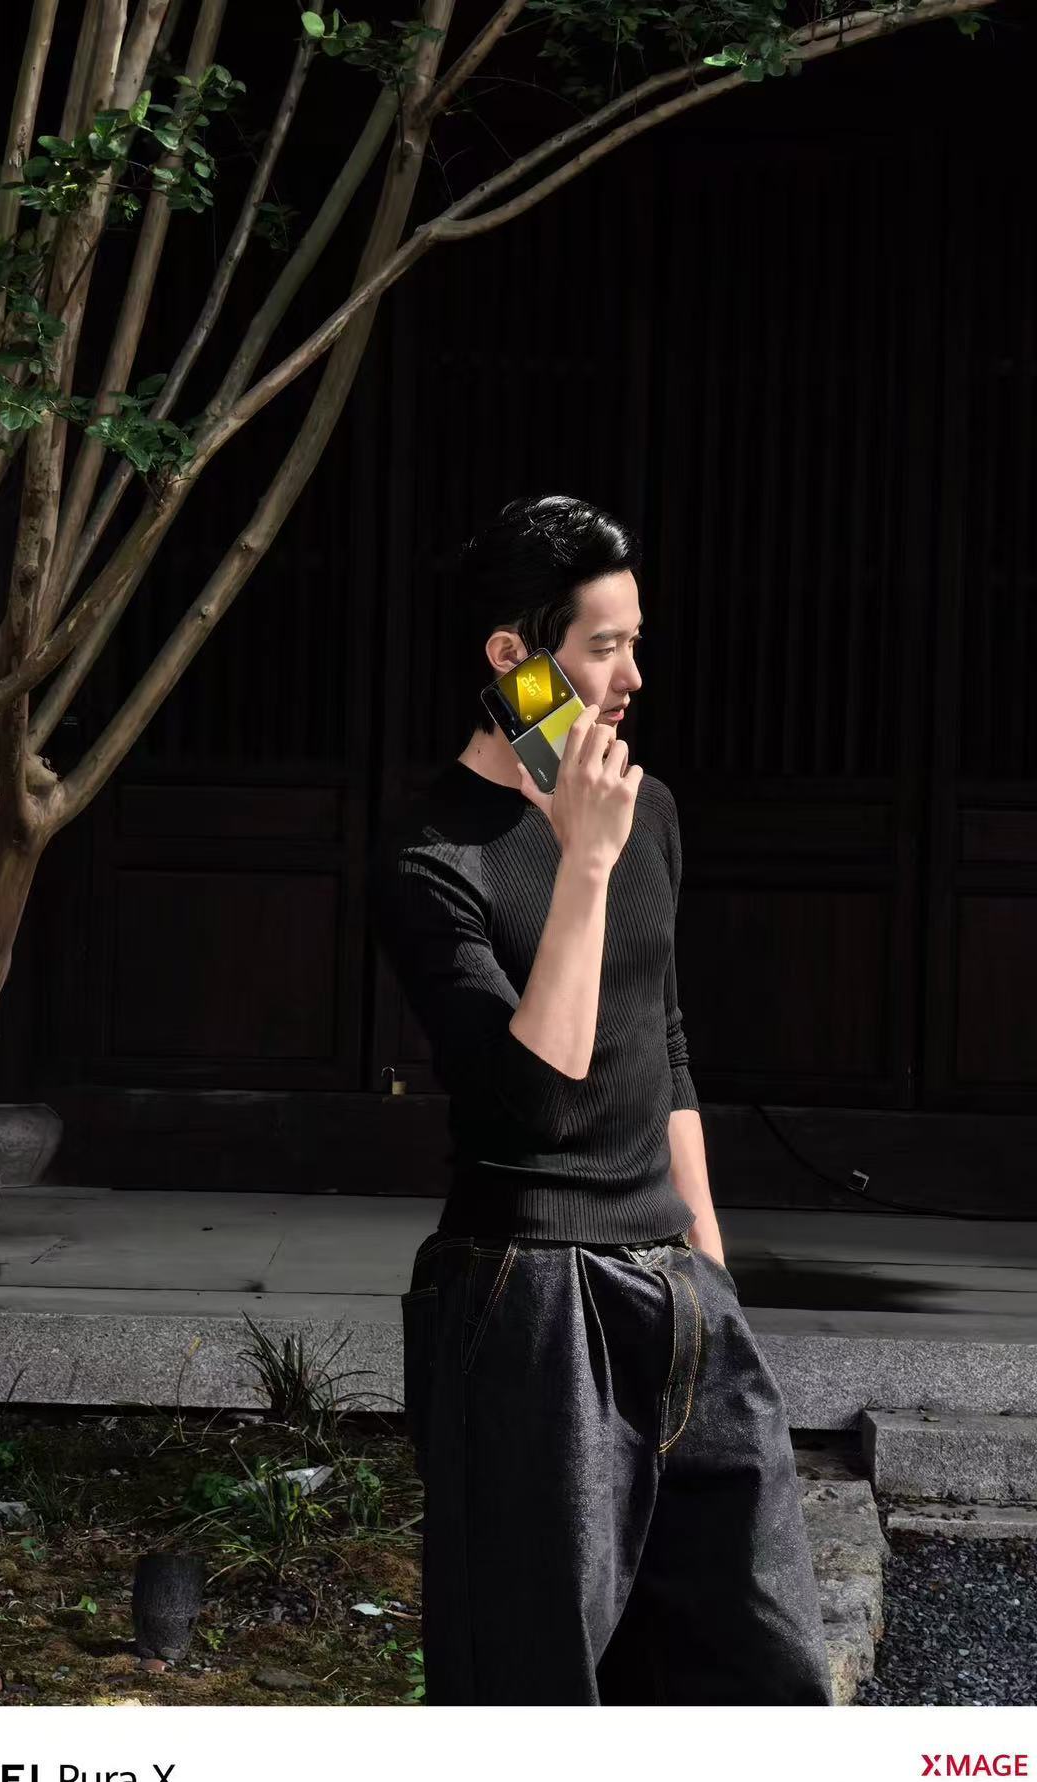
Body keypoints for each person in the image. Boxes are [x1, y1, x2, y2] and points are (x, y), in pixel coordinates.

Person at [367, 493, 833, 1707]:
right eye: (603, 646)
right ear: (512, 656)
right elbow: (535, 1097)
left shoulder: (647, 809)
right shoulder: (433, 857)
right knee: (537, 1684)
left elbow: (660, 1040)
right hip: (528, 1298)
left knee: (762, 1670)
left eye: (634, 642)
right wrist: (580, 858)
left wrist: (708, 1262)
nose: (630, 676)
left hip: (673, 1285)